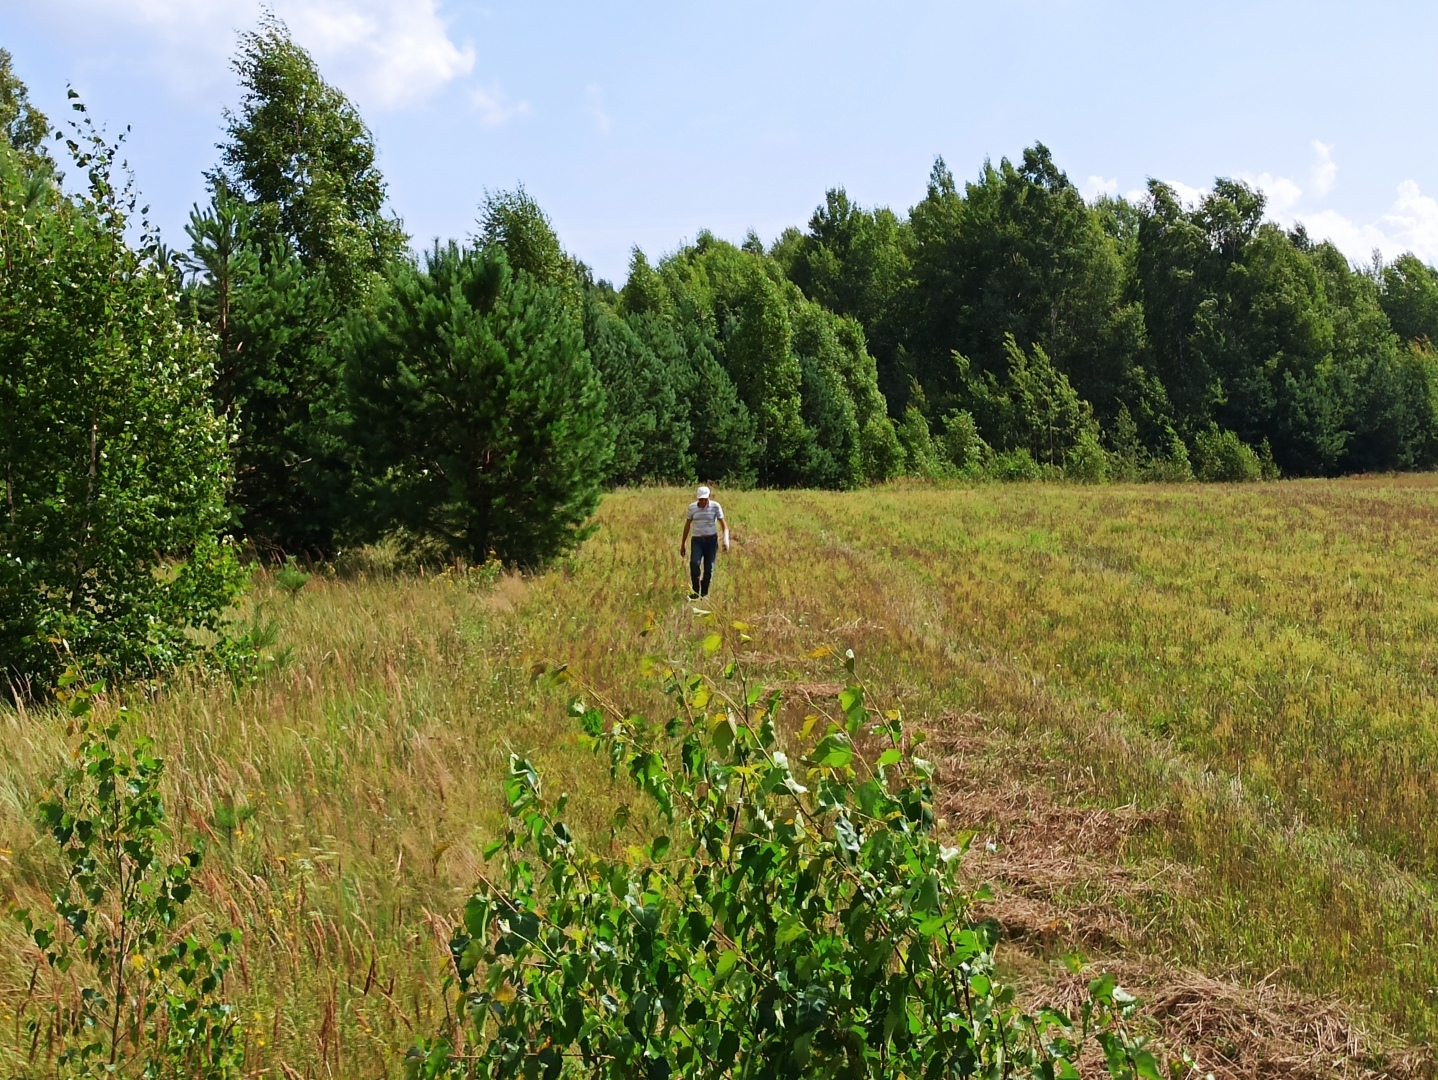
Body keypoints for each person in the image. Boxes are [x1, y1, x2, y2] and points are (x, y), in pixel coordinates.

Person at [679, 485, 729, 599]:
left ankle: (704, 593)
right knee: (694, 563)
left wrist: (726, 541)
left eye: (705, 499)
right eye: (700, 499)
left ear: (709, 497)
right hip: (697, 540)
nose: (703, 502)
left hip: (711, 540)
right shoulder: (692, 508)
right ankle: (696, 591)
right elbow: (687, 525)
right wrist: (683, 543)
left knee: (709, 567)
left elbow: (723, 525)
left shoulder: (715, 506)